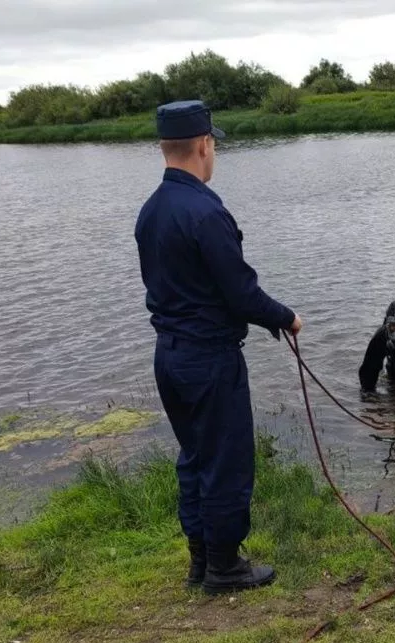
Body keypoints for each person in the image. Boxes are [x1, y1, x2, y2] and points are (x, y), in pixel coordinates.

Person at [134, 100, 302, 596]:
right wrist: (286, 318)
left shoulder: (152, 210)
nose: (215, 153)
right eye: (215, 145)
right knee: (226, 460)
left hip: (169, 356)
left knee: (194, 457)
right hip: (208, 359)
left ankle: (202, 560)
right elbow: (241, 294)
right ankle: (225, 569)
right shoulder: (206, 212)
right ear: (204, 145)